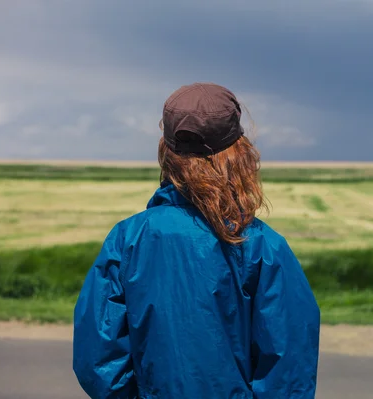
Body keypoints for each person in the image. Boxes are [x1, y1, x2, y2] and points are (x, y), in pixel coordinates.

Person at [72, 83, 321, 398]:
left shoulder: (128, 239)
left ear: (167, 150)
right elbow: (288, 372)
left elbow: (98, 359)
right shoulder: (264, 247)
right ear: (240, 152)